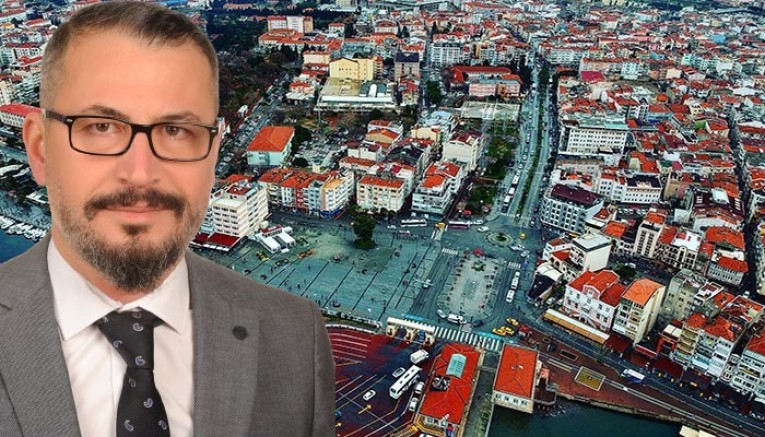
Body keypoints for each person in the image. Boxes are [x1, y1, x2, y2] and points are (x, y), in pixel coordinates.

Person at [0, 2, 334, 436]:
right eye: (101, 127)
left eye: (176, 131)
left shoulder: (296, 338)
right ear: (40, 150)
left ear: (212, 156)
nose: (140, 173)